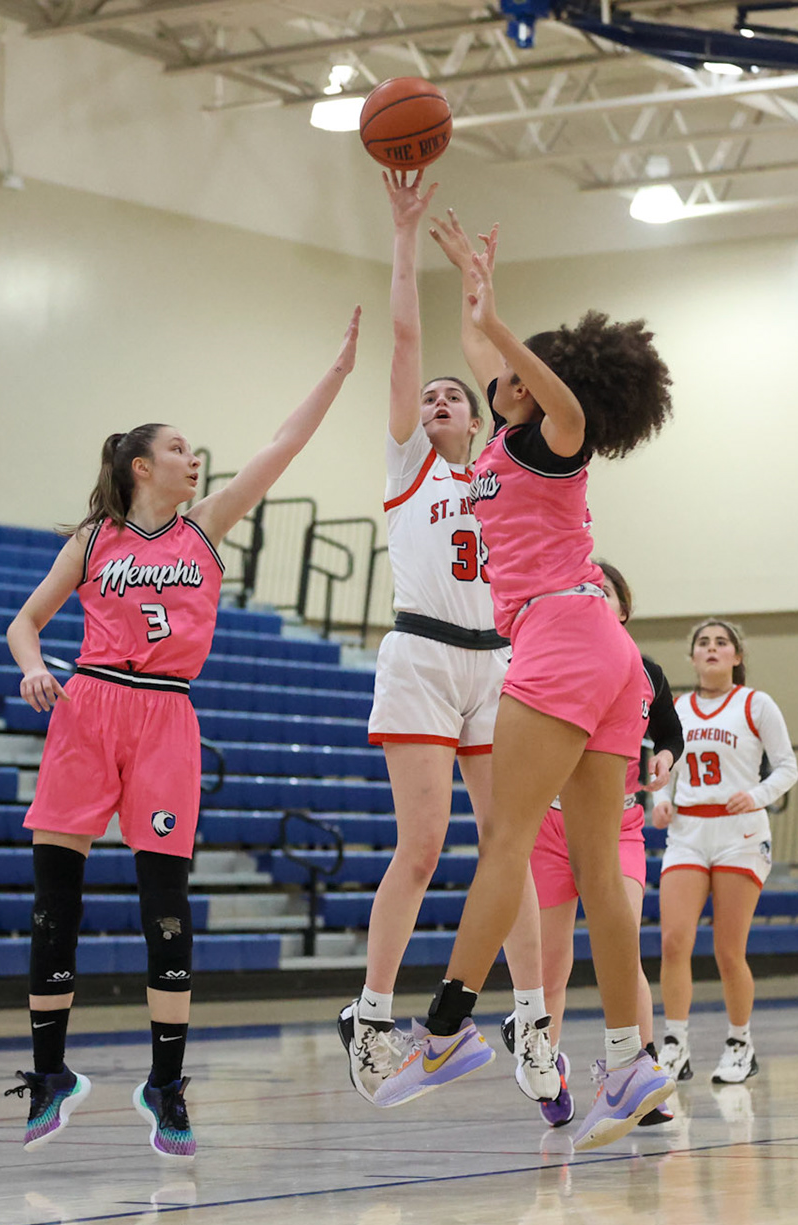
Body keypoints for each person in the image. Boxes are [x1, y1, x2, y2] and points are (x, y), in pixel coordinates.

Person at [4, 309, 361, 1159]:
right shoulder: (94, 540)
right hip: (88, 708)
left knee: (164, 908)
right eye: (178, 449)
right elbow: (26, 621)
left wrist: (339, 372)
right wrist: (32, 665)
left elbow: (282, 445)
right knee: (55, 903)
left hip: (165, 715)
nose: (193, 459)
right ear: (140, 465)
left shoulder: (206, 525)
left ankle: (166, 1085)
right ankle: (50, 1073)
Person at [374, 211, 676, 1152]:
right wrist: (467, 282)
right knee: (595, 871)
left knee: (504, 839)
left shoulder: (560, 437)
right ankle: (630, 1058)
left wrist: (503, 325)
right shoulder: (502, 445)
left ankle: (447, 1029)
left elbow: (536, 380)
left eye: (513, 372)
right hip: (603, 653)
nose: (497, 376)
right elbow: (475, 344)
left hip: (564, 639)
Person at [339, 169, 558, 1109]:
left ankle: (536, 1023)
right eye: (423, 397)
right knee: (424, 848)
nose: (433, 399)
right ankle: (371, 1019)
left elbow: (512, 374)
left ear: (475, 414)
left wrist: (485, 291)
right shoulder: (407, 468)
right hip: (423, 655)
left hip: (495, 662)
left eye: (449, 395)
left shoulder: (503, 467)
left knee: (511, 846)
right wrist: (404, 236)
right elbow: (404, 339)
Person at [519, 560, 681, 1128]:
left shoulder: (646, 670)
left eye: (602, 589)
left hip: (618, 827)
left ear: (623, 607)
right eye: (581, 587)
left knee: (624, 946)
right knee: (551, 962)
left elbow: (669, 731)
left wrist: (664, 756)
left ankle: (638, 1072)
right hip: (551, 829)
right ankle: (546, 1065)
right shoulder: (547, 660)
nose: (590, 595)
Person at [651, 619, 797, 1087]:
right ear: (692, 658)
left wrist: (755, 795)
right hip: (689, 831)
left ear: (737, 657)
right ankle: (675, 1043)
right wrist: (660, 800)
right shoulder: (674, 707)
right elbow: (661, 768)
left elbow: (788, 768)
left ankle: (740, 1043)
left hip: (740, 833)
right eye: (703, 643)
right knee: (674, 940)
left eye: (722, 643)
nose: (711, 649)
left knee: (728, 950)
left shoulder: (756, 704)